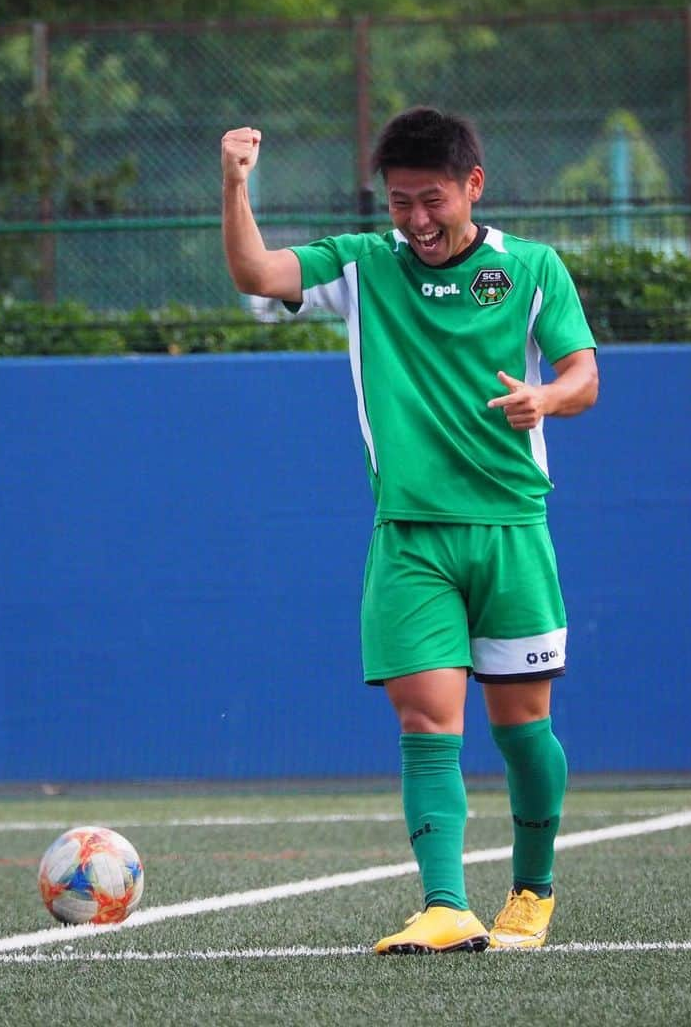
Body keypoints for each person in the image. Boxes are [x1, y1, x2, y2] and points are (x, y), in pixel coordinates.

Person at [221, 107, 598, 954]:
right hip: (411, 538)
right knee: (427, 722)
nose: (418, 221)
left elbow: (583, 372)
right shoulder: (360, 266)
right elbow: (253, 269)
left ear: (474, 185)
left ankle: (532, 891)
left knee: (522, 729)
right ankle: (444, 905)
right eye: (399, 203)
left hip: (511, 532)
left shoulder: (532, 269)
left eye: (433, 200)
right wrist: (235, 183)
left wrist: (547, 398)